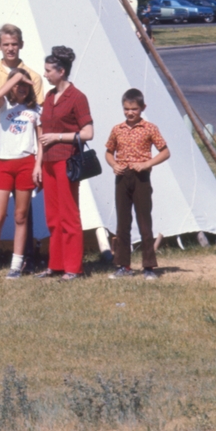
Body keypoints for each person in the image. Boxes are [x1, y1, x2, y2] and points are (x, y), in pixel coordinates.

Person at [0, 23, 44, 271]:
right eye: (6, 44)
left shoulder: (33, 76)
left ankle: (23, 259)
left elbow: (36, 114)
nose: (11, 48)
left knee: (23, 210)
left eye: (14, 44)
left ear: (21, 45)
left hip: (21, 147)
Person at [38, 46, 93, 281]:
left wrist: (58, 137)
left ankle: (73, 267)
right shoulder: (49, 97)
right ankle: (56, 264)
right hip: (47, 163)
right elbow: (41, 133)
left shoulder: (77, 97)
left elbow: (88, 133)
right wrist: (38, 165)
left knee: (69, 215)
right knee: (52, 215)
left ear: (61, 71)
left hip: (66, 162)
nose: (45, 74)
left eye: (48, 71)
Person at [105, 88, 170, 281]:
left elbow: (165, 152)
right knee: (122, 223)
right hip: (122, 177)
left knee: (144, 221)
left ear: (142, 108)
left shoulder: (149, 128)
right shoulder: (117, 129)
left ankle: (149, 266)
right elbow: (109, 152)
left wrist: (146, 164)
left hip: (141, 178)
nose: (130, 113)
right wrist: (114, 165)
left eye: (134, 109)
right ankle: (124, 265)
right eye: (126, 109)